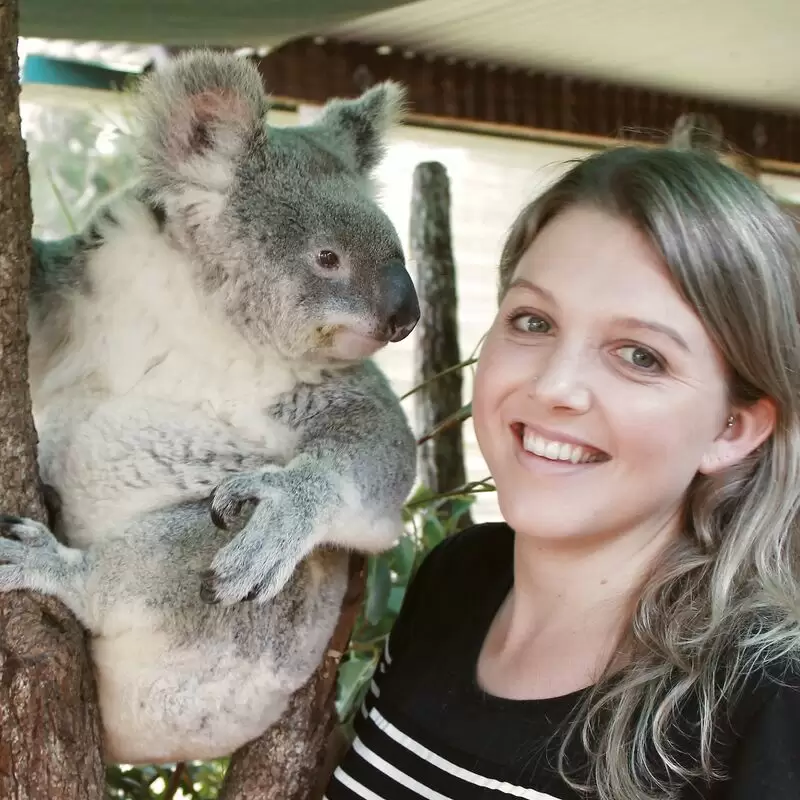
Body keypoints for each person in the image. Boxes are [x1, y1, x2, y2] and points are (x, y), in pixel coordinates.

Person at [324, 145, 800, 800]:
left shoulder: (768, 701)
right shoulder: (459, 581)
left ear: (731, 429)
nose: (557, 386)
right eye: (533, 321)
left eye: (640, 355)